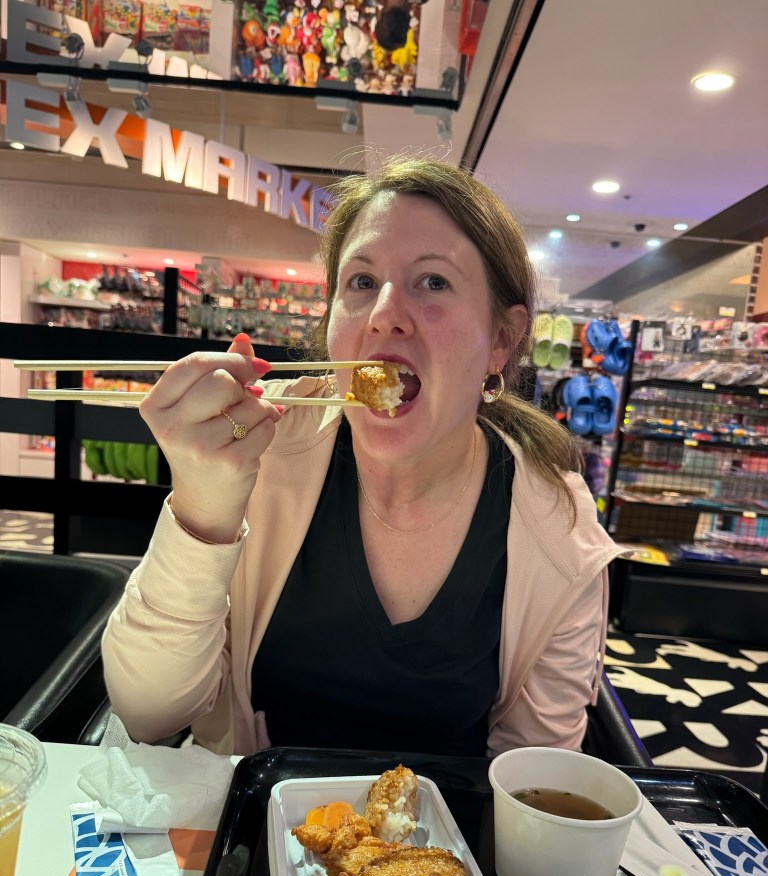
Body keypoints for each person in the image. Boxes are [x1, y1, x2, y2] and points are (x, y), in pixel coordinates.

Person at [102, 156, 622, 757]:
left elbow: (532, 776)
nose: (383, 316)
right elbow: (148, 713)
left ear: (500, 341)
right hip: (260, 804)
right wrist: (202, 506)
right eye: (362, 282)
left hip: (449, 818)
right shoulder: (259, 451)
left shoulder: (559, 534)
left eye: (434, 282)